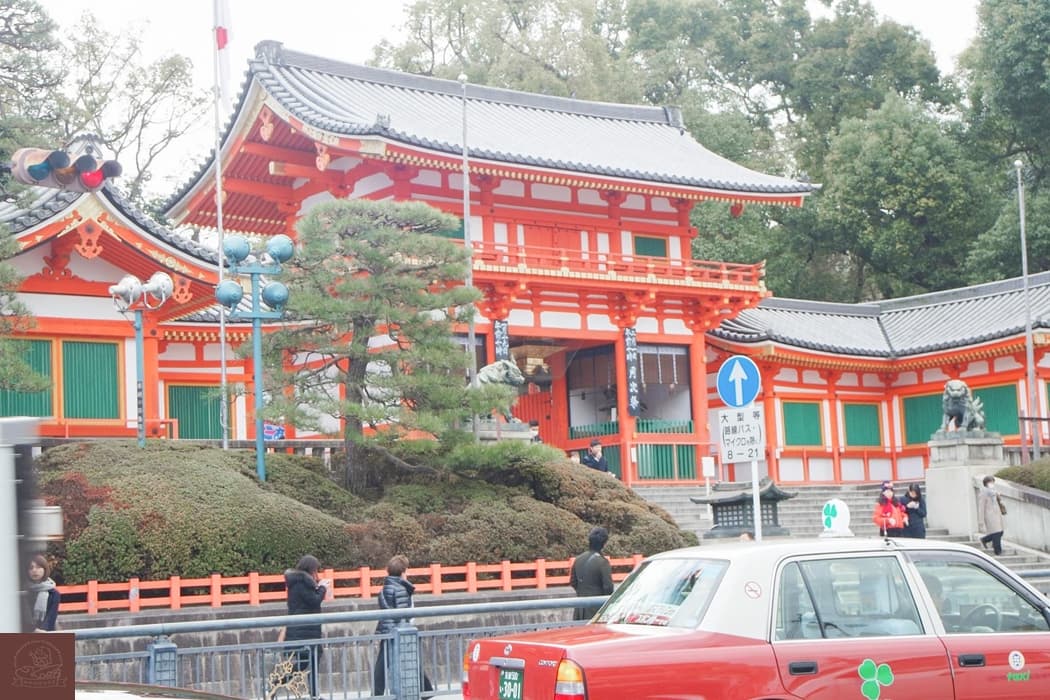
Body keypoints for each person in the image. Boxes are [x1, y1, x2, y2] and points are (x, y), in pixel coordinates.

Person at [374, 555, 432, 696]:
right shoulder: (401, 589)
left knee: (383, 662)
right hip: (399, 630)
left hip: (387, 630)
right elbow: (404, 613)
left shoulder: (386, 587)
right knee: (411, 659)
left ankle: (378, 693)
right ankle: (426, 690)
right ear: (403, 571)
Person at [284, 555, 331, 700]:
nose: (316, 573)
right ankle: (276, 683)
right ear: (311, 569)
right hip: (304, 630)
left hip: (305, 629)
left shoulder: (299, 582)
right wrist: (322, 587)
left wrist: (319, 587)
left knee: (310, 660)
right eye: (316, 570)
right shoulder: (301, 583)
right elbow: (314, 601)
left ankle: (314, 693)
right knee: (307, 661)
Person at [569, 526, 614, 621]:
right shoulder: (603, 562)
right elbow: (608, 587)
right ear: (604, 544)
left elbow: (573, 582)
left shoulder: (578, 559)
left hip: (579, 607)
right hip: (596, 609)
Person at [25, 553, 60, 632]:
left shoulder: (54, 593)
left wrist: (42, 631)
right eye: (31, 568)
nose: (34, 570)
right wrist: (33, 630)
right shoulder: (24, 591)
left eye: (38, 567)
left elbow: (51, 617)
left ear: (45, 569)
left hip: (46, 633)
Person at [977, 475, 1005, 555]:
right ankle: (998, 551)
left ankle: (984, 540)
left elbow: (998, 502)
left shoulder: (994, 492)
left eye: (993, 482)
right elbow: (981, 508)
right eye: (991, 482)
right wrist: (981, 521)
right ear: (986, 483)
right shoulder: (983, 493)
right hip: (990, 516)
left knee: (1000, 532)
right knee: (997, 533)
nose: (992, 484)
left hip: (997, 515)